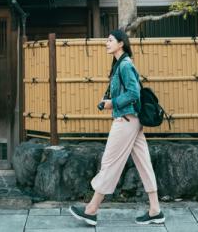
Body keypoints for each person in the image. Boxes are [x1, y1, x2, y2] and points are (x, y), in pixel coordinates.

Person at [68, 29, 164, 226]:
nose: (106, 43)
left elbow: (134, 93)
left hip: (126, 121)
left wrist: (113, 103)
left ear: (121, 43)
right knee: (144, 163)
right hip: (132, 121)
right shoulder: (120, 64)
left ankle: (91, 210)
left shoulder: (126, 65)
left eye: (110, 40)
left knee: (110, 163)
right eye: (107, 40)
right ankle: (155, 210)